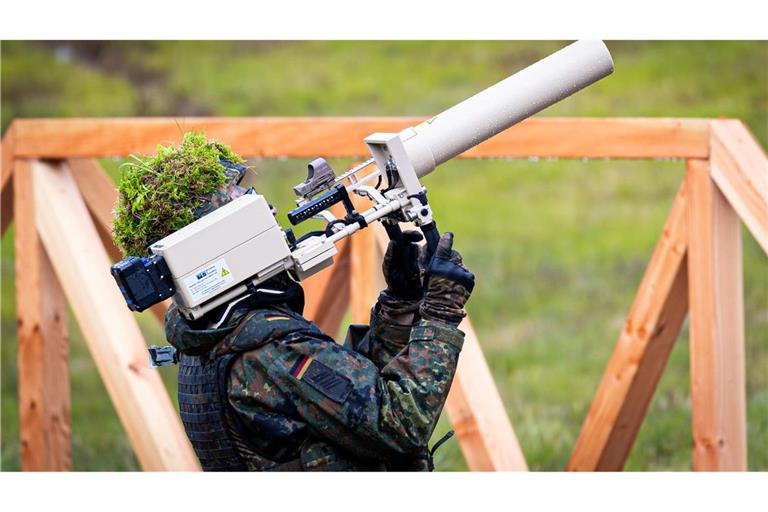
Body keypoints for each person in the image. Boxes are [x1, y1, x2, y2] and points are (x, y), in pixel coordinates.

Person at [114, 134, 475, 471]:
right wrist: (439, 312)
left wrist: (401, 304)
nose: (271, 210)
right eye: (246, 203)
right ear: (213, 241)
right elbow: (398, 426)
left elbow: (353, 405)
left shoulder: (211, 334)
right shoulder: (272, 353)